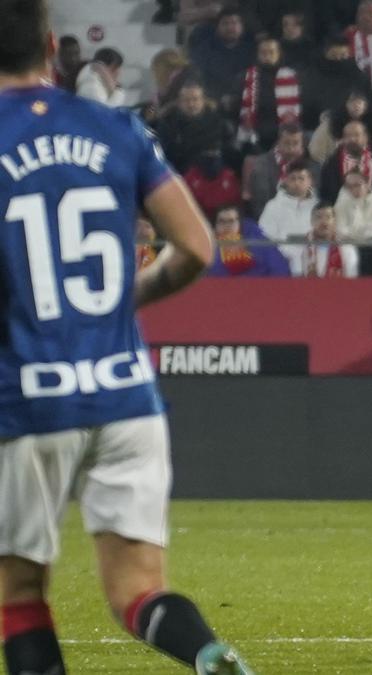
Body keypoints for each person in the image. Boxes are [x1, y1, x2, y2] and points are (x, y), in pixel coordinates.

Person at [0, 3, 253, 673]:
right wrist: (121, 301)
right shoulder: (116, 126)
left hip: (28, 396)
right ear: (53, 47)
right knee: (139, 589)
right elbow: (197, 247)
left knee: (19, 594)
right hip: (126, 394)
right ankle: (206, 652)